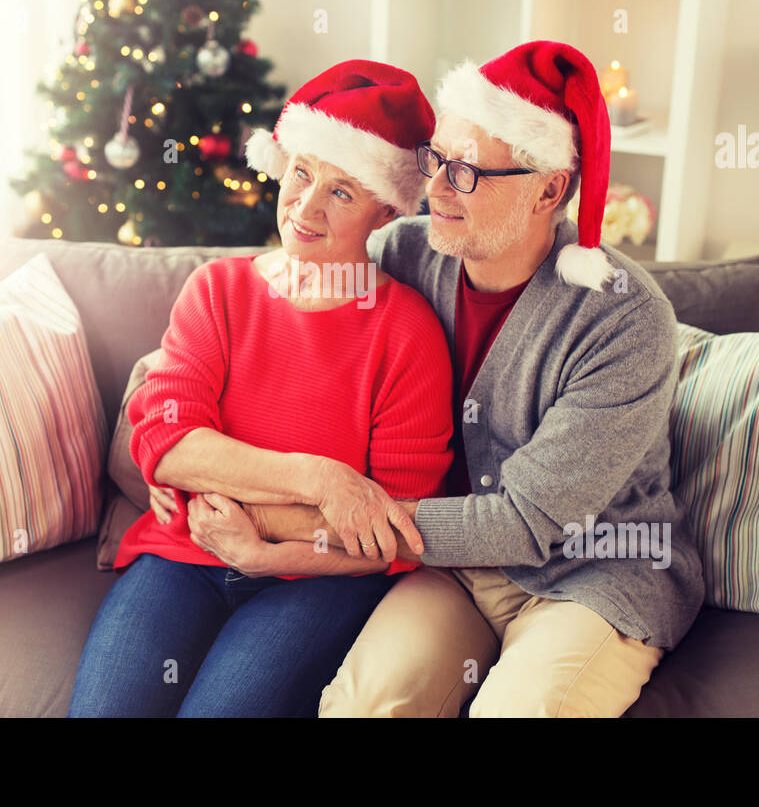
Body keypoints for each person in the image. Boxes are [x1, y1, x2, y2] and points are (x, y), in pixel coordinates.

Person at [207, 40, 706, 717]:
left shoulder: (625, 319)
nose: (434, 189)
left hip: (589, 575)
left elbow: (526, 524)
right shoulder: (406, 253)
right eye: (436, 159)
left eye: (466, 172)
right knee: (361, 707)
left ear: (550, 188)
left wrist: (282, 524)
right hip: (446, 569)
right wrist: (165, 434)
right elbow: (270, 318)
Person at [67, 60, 454, 718]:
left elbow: (392, 529)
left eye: (341, 192)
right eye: (301, 173)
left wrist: (259, 541)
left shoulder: (408, 333)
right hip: (183, 554)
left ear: (386, 209)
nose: (304, 207)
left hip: (315, 581)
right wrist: (324, 480)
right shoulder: (218, 292)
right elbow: (166, 443)